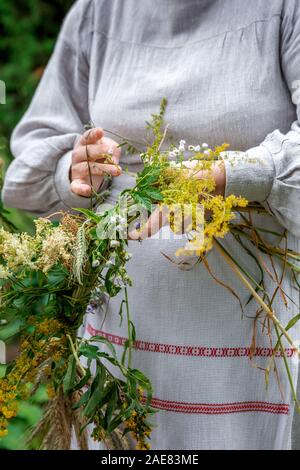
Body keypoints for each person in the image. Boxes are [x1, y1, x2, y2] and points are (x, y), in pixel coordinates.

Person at [3, 0, 300, 450]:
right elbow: (38, 148)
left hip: (247, 344)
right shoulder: (98, 12)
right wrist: (75, 169)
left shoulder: (283, 9)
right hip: (117, 343)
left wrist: (227, 176)